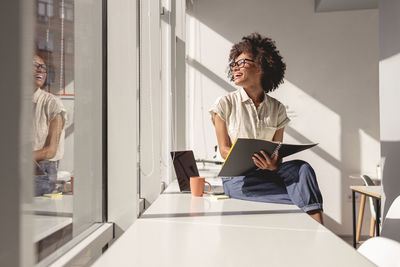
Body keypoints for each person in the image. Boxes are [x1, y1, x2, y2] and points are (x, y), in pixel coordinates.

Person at [209, 33, 324, 223]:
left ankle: (317, 227)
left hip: (268, 174)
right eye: (234, 64)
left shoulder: (277, 108)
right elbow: (224, 150)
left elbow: (276, 152)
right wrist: (251, 161)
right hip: (239, 179)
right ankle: (319, 228)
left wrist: (273, 164)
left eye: (242, 62)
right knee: (302, 198)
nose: (236, 67)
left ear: (261, 65)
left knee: (302, 168)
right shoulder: (224, 104)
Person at [33, 54, 67, 196]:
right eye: (35, 65)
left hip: (41, 171)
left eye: (44, 68)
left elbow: (50, 151)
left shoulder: (52, 103)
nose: (41, 70)